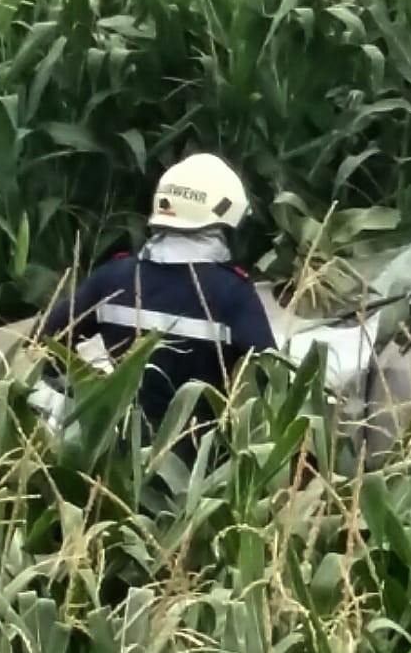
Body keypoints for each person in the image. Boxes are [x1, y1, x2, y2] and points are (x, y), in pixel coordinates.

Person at [33, 152, 276, 455]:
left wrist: (83, 396)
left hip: (117, 455)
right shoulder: (232, 293)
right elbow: (272, 380)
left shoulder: (113, 278)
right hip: (201, 465)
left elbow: (42, 345)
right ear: (222, 225)